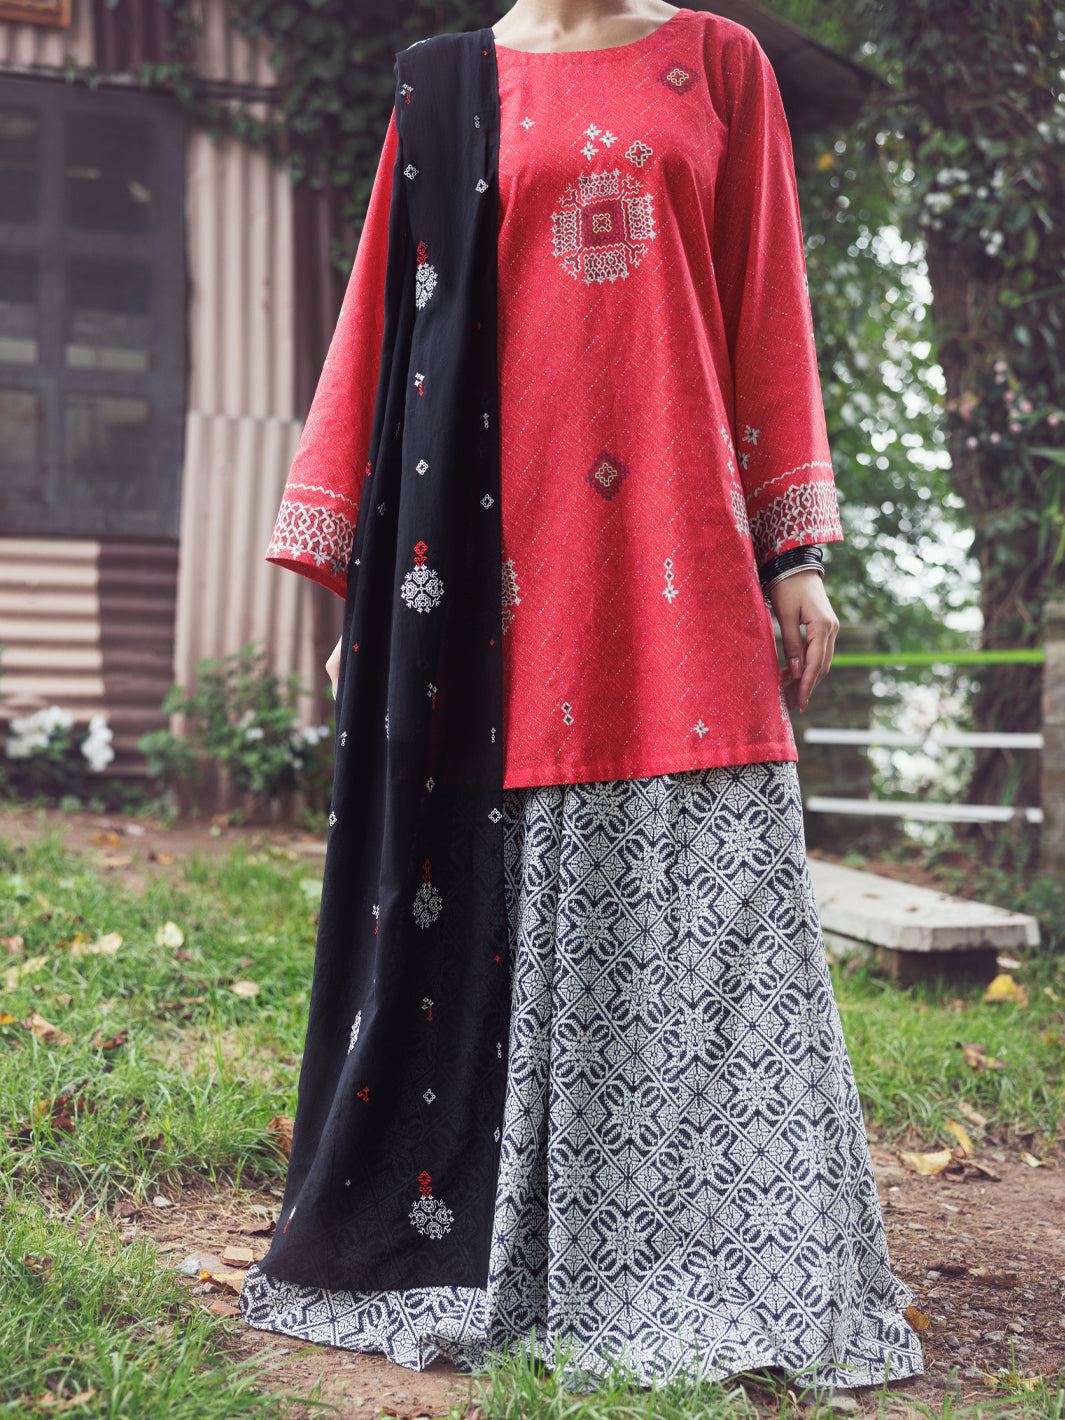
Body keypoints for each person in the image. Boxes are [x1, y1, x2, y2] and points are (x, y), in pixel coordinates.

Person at [239, 0, 925, 1392]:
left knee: (731, 912)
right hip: (494, 582)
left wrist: (793, 549)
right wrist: (372, 596)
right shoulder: (443, 87)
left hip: (683, 559)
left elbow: (763, 299)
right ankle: (526, 1252)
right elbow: (387, 321)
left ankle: (746, 1255)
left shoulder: (715, 62)